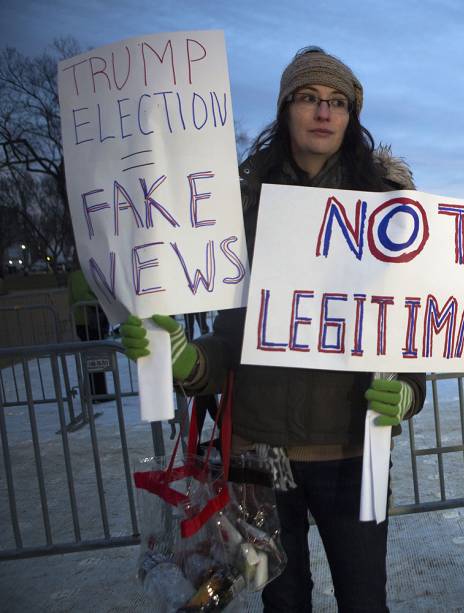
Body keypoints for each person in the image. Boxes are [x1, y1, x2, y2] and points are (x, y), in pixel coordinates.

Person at [120, 47, 427, 612]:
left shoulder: (388, 209)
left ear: (351, 116)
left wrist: (409, 390)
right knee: (284, 604)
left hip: (351, 449)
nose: (323, 112)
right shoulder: (240, 207)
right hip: (258, 455)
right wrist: (189, 363)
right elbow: (230, 336)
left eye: (336, 102)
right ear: (286, 108)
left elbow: (407, 325)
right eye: (309, 98)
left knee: (365, 601)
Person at [68, 264, 110, 399]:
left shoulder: (86, 272)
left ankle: (98, 392)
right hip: (87, 322)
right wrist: (102, 300)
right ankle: (96, 393)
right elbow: (82, 296)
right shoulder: (80, 274)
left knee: (96, 358)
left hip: (91, 321)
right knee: (94, 359)